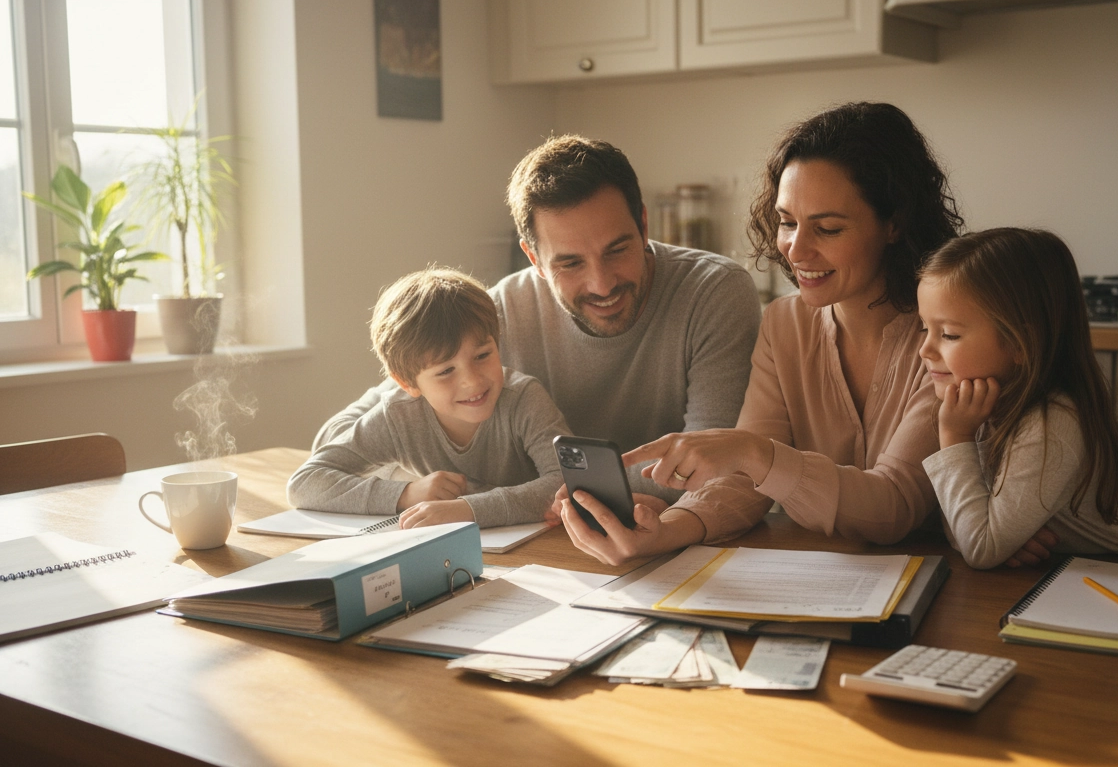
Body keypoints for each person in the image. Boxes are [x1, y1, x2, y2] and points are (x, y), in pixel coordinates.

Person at [557, 102, 965, 566]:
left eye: (828, 228)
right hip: (818, 578)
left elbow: (894, 507)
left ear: (895, 224)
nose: (796, 248)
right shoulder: (784, 323)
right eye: (787, 222)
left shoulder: (949, 338)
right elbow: (744, 484)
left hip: (945, 586)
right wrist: (664, 531)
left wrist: (754, 452)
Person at [315, 135, 761, 506]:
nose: (601, 284)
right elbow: (347, 432)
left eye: (617, 250)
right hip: (540, 536)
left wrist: (540, 491)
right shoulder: (503, 309)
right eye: (569, 263)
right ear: (534, 259)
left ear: (644, 225)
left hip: (676, 535)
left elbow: (710, 462)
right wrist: (405, 491)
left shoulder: (714, 292)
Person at [916, 228, 1118, 568]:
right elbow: (965, 525)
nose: (925, 349)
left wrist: (955, 439)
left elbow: (979, 548)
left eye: (949, 334)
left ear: (1019, 344)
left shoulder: (1052, 422)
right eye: (925, 327)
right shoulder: (981, 406)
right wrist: (994, 538)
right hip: (1069, 580)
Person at [288, 268, 570, 529]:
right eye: (446, 370)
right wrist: (406, 494)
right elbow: (305, 484)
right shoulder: (398, 415)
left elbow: (565, 481)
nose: (472, 380)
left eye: (483, 355)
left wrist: (467, 509)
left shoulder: (524, 399)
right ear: (406, 382)